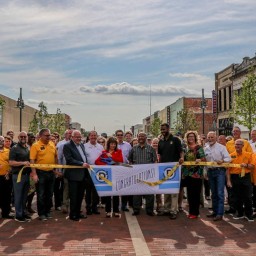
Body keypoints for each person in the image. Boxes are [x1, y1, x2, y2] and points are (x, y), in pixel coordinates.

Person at [30, 128, 58, 221]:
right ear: (41, 136)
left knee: (49, 194)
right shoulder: (35, 145)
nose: (48, 137)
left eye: (49, 135)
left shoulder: (52, 144)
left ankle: (47, 211)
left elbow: (55, 156)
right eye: (46, 135)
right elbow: (32, 160)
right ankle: (41, 213)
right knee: (41, 194)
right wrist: (34, 174)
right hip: (40, 173)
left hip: (51, 173)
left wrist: (55, 169)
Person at [158, 123, 184, 219]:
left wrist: (181, 158)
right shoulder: (160, 141)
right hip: (164, 169)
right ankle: (167, 209)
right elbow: (160, 155)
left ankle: (173, 210)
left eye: (164, 129)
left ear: (168, 129)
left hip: (175, 169)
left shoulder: (176, 140)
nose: (162, 131)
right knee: (166, 189)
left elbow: (181, 151)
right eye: (161, 129)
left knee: (174, 190)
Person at [63, 130, 90, 221]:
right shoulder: (67, 146)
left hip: (82, 175)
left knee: (80, 196)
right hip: (73, 175)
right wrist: (82, 164)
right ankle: (73, 214)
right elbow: (69, 159)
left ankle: (78, 212)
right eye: (77, 137)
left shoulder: (81, 145)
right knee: (73, 196)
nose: (78, 138)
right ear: (72, 137)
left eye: (79, 137)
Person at [128, 132, 157, 216]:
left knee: (149, 193)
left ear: (146, 137)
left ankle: (149, 210)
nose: (141, 138)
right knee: (137, 193)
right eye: (139, 136)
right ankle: (136, 209)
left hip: (149, 174)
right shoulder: (133, 149)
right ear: (137, 138)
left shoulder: (151, 148)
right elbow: (130, 160)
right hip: (137, 174)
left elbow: (155, 160)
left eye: (143, 136)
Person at [225, 126, 252, 215]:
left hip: (245, 173)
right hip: (233, 173)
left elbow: (251, 156)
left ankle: (247, 213)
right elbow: (226, 157)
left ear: (240, 132)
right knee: (234, 194)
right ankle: (234, 209)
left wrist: (248, 165)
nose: (235, 132)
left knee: (246, 195)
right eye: (234, 131)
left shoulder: (246, 142)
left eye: (237, 131)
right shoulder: (228, 143)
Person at [204, 131, 231, 221]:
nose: (210, 139)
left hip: (219, 171)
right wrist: (205, 172)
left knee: (220, 193)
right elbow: (205, 162)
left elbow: (228, 158)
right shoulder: (206, 148)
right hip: (210, 172)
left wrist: (222, 161)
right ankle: (215, 212)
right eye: (209, 137)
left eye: (212, 137)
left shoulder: (222, 147)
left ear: (216, 138)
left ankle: (220, 213)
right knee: (214, 193)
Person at [95, 137, 123, 217]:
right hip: (107, 175)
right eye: (111, 144)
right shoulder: (104, 152)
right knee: (108, 193)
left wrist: (110, 157)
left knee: (116, 193)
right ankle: (108, 211)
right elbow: (97, 161)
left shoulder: (119, 151)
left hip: (116, 174)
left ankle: (116, 211)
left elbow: (120, 161)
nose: (113, 145)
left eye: (114, 144)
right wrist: (106, 165)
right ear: (108, 144)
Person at [182, 131, 206, 219]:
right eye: (189, 137)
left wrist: (200, 160)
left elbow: (204, 159)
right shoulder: (185, 148)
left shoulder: (199, 148)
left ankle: (195, 213)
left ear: (195, 137)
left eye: (192, 136)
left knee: (196, 194)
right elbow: (183, 160)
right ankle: (191, 212)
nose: (190, 138)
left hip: (196, 174)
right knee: (190, 194)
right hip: (187, 174)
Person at [9, 131, 31, 222]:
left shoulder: (28, 147)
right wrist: (23, 163)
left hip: (26, 176)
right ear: (18, 137)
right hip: (18, 176)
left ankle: (23, 213)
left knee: (24, 196)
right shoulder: (14, 148)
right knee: (18, 196)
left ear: (27, 137)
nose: (23, 138)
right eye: (21, 136)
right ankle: (18, 215)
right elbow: (11, 162)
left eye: (24, 136)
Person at [84, 131, 104, 215]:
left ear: (97, 136)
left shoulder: (100, 147)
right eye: (91, 135)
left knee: (96, 190)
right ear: (89, 137)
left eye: (94, 135)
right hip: (87, 171)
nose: (93, 137)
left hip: (98, 171)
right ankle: (88, 207)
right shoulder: (84, 146)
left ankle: (94, 207)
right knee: (88, 191)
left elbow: (103, 157)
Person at [115, 129, 132, 212]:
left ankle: (124, 205)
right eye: (118, 135)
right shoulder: (113, 145)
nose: (120, 136)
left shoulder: (128, 145)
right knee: (116, 187)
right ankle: (116, 205)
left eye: (121, 135)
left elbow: (130, 156)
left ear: (123, 136)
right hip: (115, 168)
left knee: (125, 187)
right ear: (116, 136)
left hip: (125, 168)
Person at [56, 129, 72, 214]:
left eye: (71, 134)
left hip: (76, 170)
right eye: (68, 133)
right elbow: (59, 158)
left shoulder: (79, 145)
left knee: (74, 188)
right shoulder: (61, 145)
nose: (70, 135)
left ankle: (74, 206)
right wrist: (59, 170)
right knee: (66, 187)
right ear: (65, 135)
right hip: (65, 170)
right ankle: (65, 205)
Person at [0, 135, 12, 219]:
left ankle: (6, 213)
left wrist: (9, 171)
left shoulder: (8, 151)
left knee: (7, 195)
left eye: (2, 140)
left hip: (6, 176)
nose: (1, 142)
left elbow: (11, 163)